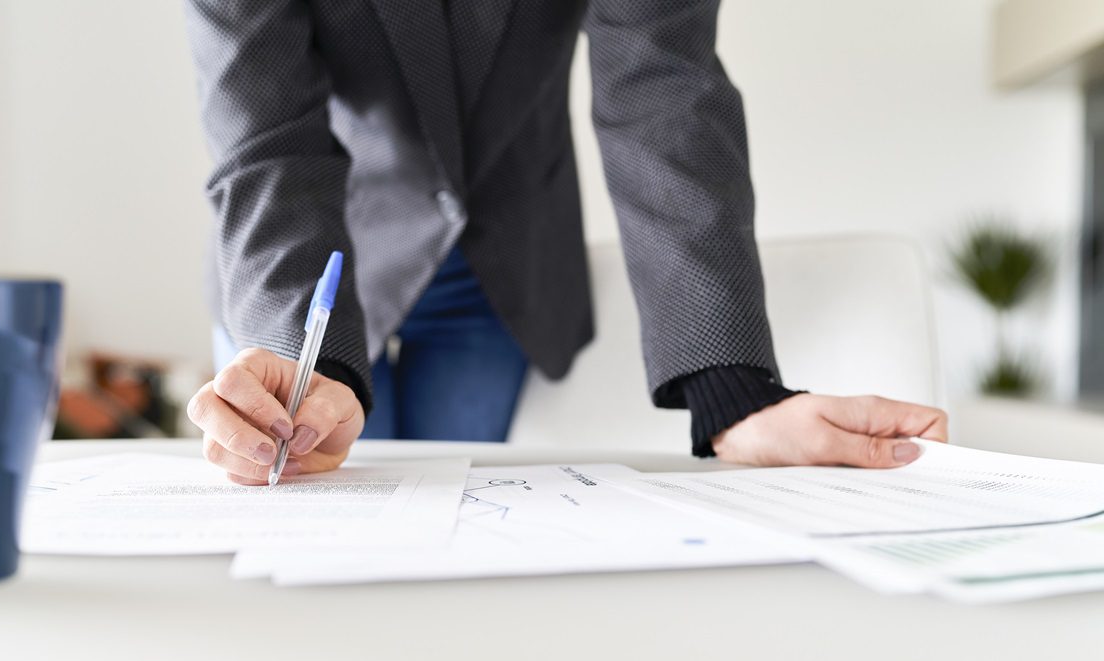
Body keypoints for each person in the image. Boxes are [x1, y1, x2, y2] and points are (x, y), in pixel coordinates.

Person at [183, 0, 947, 485]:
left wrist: (732, 392)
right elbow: (267, 138)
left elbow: (663, 90)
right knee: (315, 500)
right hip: (309, 262)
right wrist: (292, 340)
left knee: (451, 520)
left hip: (500, 258)